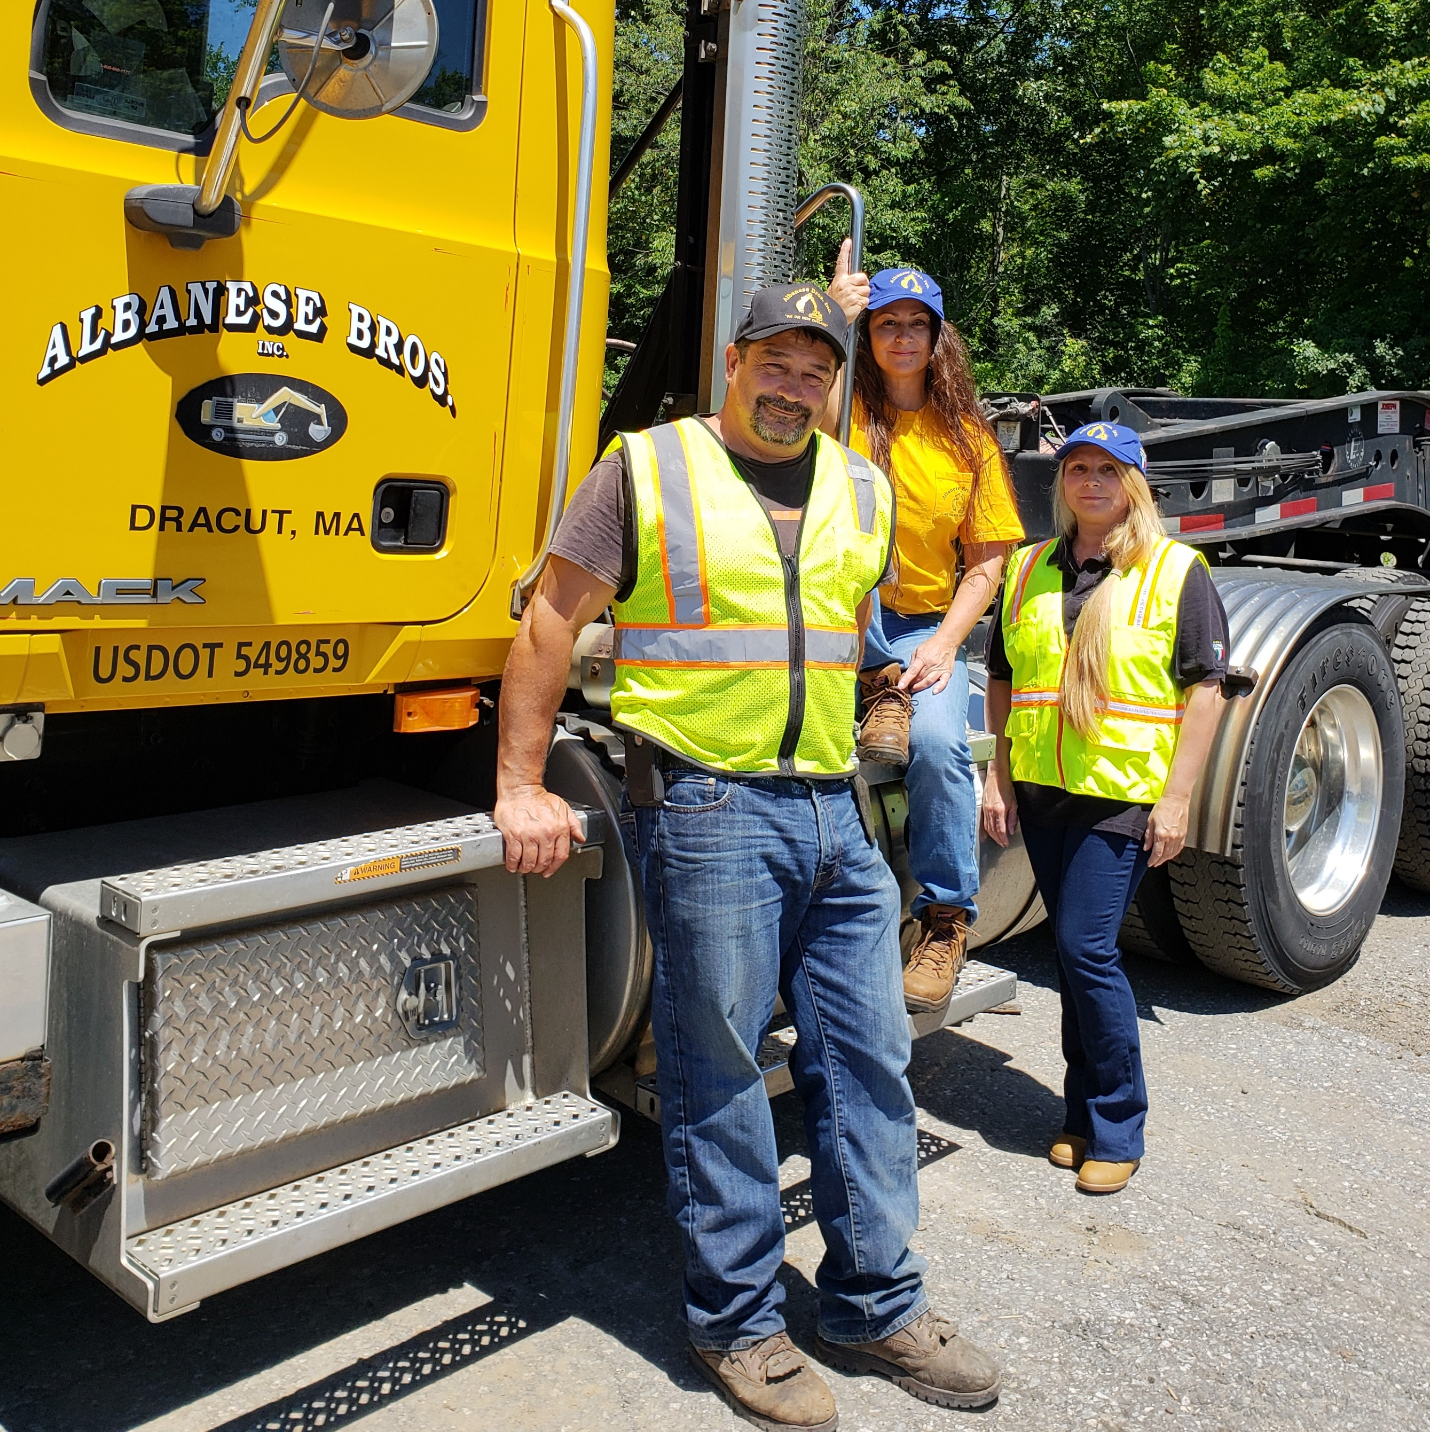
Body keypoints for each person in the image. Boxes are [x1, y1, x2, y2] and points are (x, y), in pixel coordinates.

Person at [493, 284, 1002, 1427]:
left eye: (814, 372)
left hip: (834, 814)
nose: (792, 388)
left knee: (870, 1057)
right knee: (717, 1071)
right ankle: (737, 1321)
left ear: (834, 384)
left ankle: (873, 1300)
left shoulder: (862, 488)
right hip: (710, 810)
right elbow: (549, 619)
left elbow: (855, 635)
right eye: (774, 363)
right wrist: (520, 785)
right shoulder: (647, 468)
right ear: (732, 362)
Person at [981, 422, 1229, 1195]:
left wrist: (1179, 799)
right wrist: (999, 777)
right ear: (1062, 485)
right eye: (1078, 468)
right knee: (1070, 954)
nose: (1091, 482)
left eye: (1108, 470)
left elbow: (1207, 690)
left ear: (1135, 484)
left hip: (1119, 795)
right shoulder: (1028, 568)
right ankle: (1081, 1115)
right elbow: (1000, 678)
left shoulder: (1175, 570)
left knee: (1088, 952)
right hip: (1044, 789)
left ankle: (1119, 1124)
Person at [825, 248, 1024, 1013]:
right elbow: (775, 387)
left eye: (918, 324)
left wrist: (943, 646)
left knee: (940, 746)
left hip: (917, 628)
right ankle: (878, 689)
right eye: (885, 323)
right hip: (833, 617)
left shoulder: (968, 438)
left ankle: (945, 920)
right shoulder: (841, 409)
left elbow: (988, 563)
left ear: (939, 338)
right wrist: (834, 315)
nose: (902, 335)